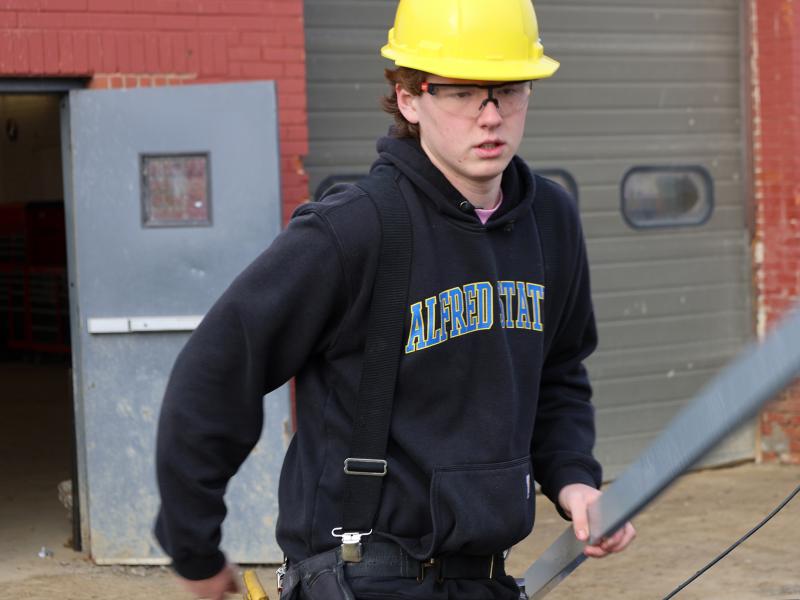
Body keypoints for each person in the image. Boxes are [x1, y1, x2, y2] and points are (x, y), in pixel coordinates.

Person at [154, 1, 636, 598]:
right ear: (410, 98)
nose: (490, 116)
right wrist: (194, 547)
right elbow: (215, 371)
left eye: (508, 89)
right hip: (361, 578)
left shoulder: (551, 221)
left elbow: (559, 370)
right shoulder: (351, 231)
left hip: (486, 578)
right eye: (460, 93)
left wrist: (573, 481)